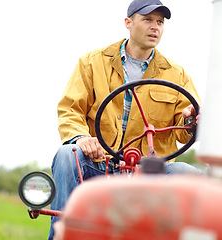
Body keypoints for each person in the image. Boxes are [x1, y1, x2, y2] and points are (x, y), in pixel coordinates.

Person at [48, 0, 201, 239]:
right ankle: (64, 233)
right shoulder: (92, 62)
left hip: (151, 171)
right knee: (67, 154)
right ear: (128, 23)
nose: (155, 27)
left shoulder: (177, 74)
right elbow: (70, 109)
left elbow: (183, 130)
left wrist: (191, 122)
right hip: (100, 163)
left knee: (189, 174)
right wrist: (81, 138)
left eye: (160, 22)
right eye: (148, 19)